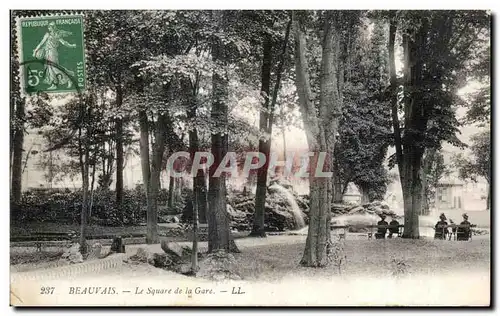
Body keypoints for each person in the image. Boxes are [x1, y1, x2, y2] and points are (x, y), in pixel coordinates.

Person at [32, 22, 76, 90]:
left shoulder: (57, 35)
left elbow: (64, 42)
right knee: (50, 69)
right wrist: (35, 51)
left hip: (53, 53)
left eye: (50, 27)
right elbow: (41, 43)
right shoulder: (47, 34)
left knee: (55, 68)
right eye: (49, 27)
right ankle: (54, 84)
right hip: (47, 53)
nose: (49, 28)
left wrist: (71, 46)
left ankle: (68, 79)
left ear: (53, 28)